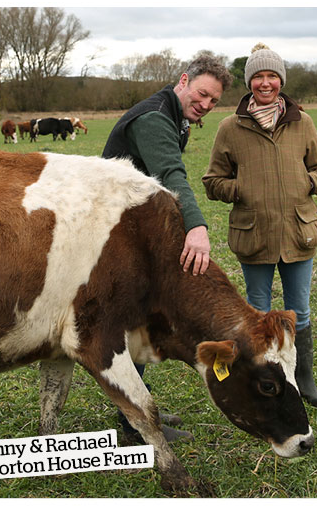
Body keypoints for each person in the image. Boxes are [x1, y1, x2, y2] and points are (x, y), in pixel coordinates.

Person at [102, 54, 235, 443]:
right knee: (132, 322)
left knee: (140, 322)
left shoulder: (176, 117)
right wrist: (195, 225)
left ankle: (137, 409)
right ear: (183, 81)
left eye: (214, 101)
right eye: (203, 94)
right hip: (114, 234)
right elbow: (170, 174)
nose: (206, 105)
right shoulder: (155, 118)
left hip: (134, 230)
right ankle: (133, 424)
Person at [203, 43, 317, 407]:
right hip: (254, 234)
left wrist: (306, 183)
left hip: (298, 232)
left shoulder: (302, 123)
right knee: (258, 313)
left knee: (300, 311)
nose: (266, 83)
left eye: (272, 76)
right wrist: (242, 188)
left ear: (281, 81)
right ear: (249, 83)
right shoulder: (230, 127)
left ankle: (302, 380)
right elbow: (213, 181)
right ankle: (262, 378)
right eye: (258, 76)